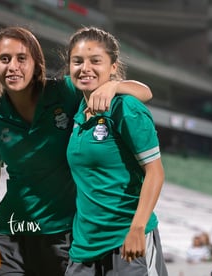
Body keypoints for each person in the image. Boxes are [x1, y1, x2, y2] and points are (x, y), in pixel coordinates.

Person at [0, 26, 153, 276]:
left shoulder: (65, 92)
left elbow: (144, 92)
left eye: (22, 58)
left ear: (37, 63)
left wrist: (113, 86)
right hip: (6, 233)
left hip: (63, 236)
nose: (13, 66)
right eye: (4, 59)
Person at [65, 26, 168, 275]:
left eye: (95, 61)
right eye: (77, 61)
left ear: (113, 67)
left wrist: (137, 229)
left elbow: (155, 172)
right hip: (84, 247)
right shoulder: (77, 109)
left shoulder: (126, 108)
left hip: (127, 242)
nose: (84, 68)